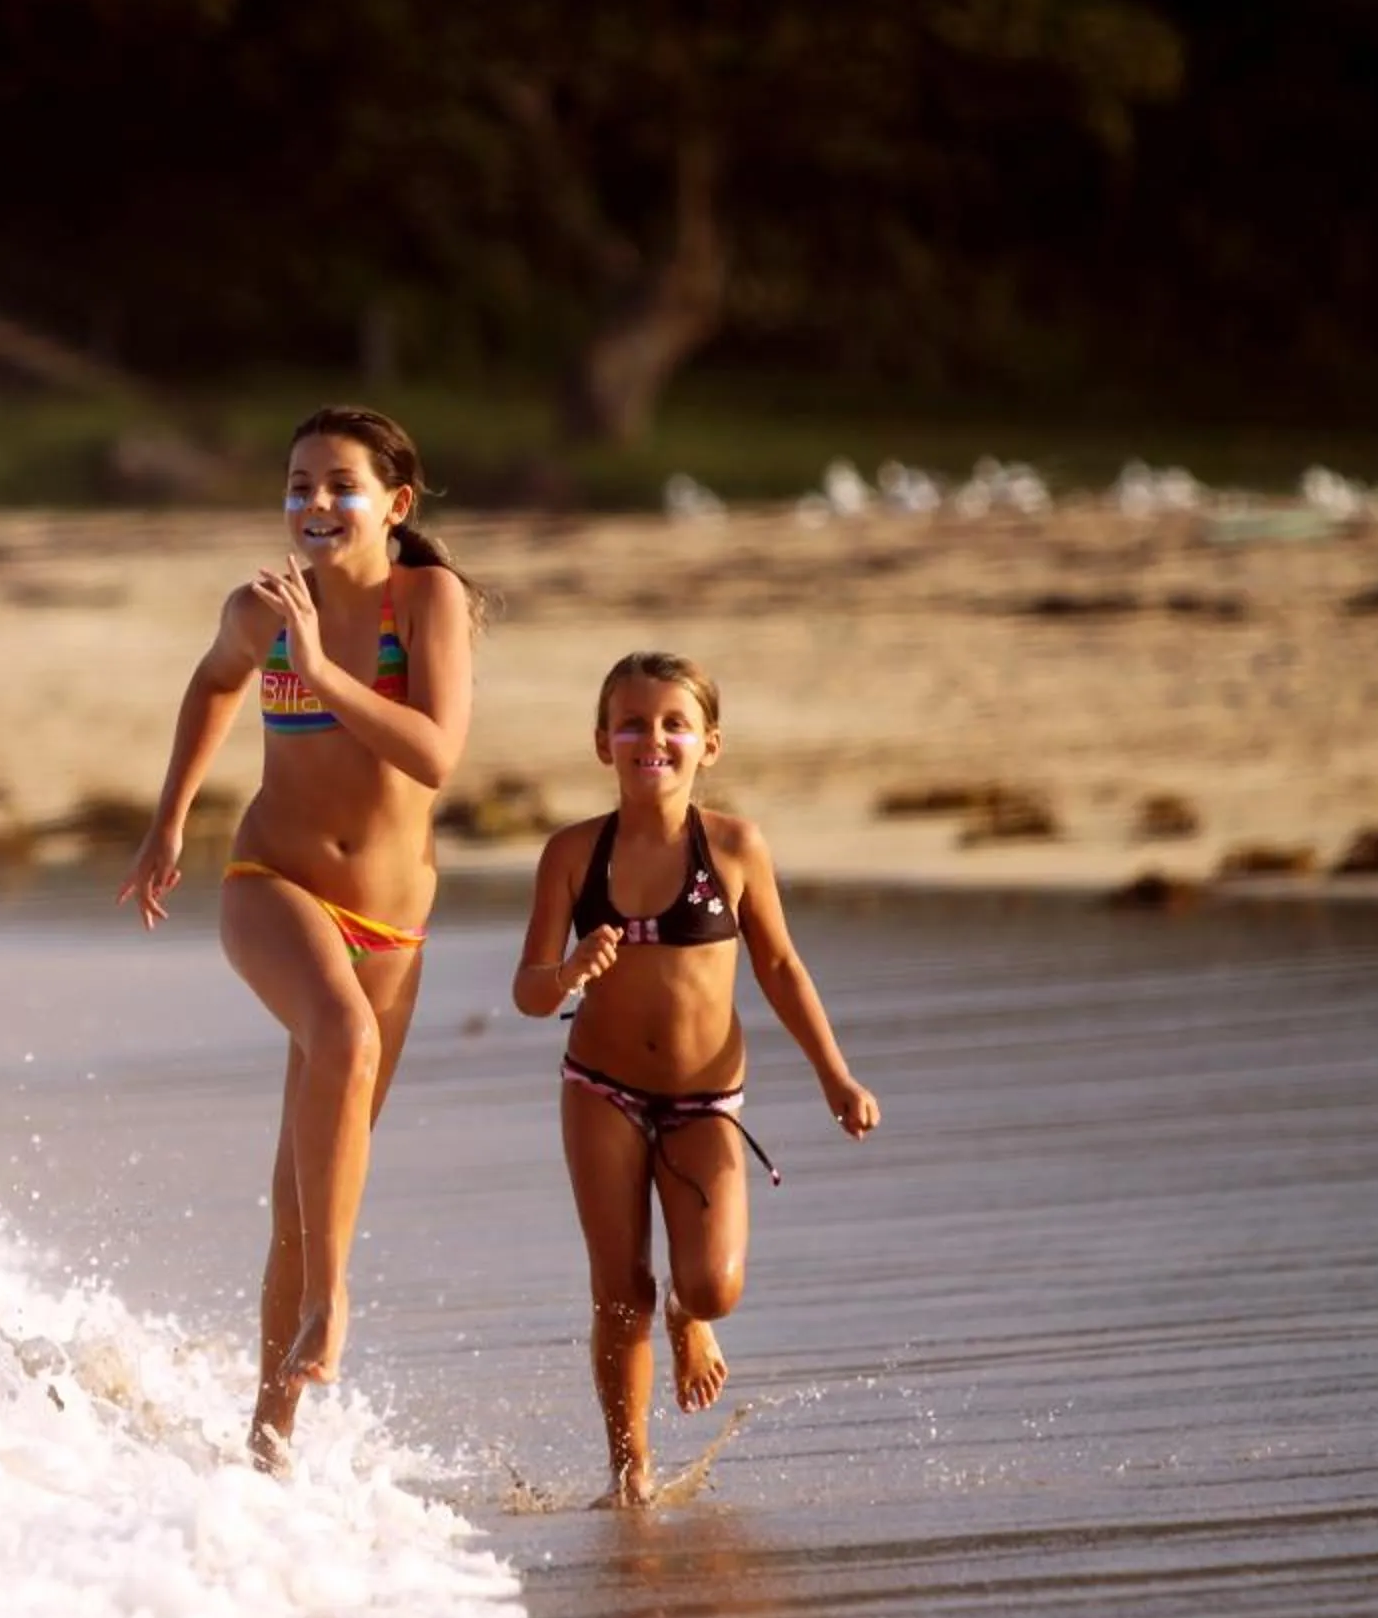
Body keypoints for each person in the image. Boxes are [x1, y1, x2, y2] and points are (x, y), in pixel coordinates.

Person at [120, 405, 483, 1469]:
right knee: (345, 1038)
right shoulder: (260, 604)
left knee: (304, 1186)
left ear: (394, 504)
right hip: (271, 879)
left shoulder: (428, 602)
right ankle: (334, 1294)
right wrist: (169, 818)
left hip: (394, 924)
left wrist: (325, 670)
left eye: (340, 484)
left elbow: (436, 754)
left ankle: (268, 1442)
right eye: (298, 485)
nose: (315, 503)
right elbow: (214, 679)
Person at [511, 650, 880, 1506]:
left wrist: (835, 1076)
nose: (653, 739)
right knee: (619, 1288)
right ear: (602, 742)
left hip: (705, 1099)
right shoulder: (572, 854)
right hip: (600, 1090)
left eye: (674, 723)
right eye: (632, 723)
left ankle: (692, 1316)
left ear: (709, 745)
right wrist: (568, 972)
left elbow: (781, 967)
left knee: (711, 1281)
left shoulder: (736, 847)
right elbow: (529, 993)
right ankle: (629, 1470)